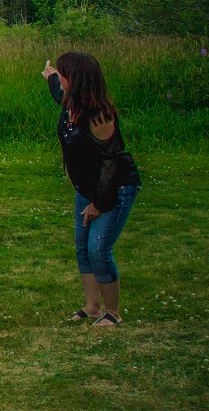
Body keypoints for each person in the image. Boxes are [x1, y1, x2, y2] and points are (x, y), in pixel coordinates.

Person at [45, 52, 141, 327]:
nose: (59, 80)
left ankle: (113, 312)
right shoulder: (70, 102)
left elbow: (111, 165)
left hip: (115, 188)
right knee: (82, 248)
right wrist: (50, 73)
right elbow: (56, 91)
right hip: (87, 189)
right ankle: (92, 307)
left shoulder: (99, 114)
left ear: (75, 79)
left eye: (62, 75)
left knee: (98, 248)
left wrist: (99, 204)